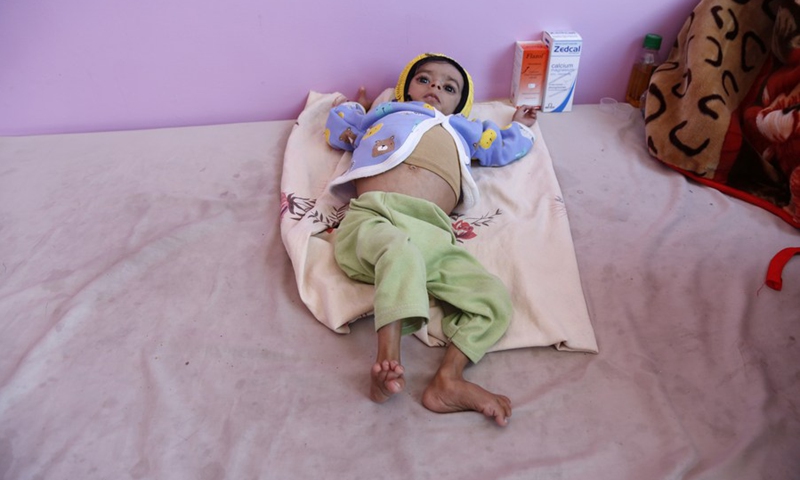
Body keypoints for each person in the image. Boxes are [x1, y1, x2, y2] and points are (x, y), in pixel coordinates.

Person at [324, 53, 538, 426]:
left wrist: (519, 126)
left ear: (461, 104)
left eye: (449, 86)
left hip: (433, 232)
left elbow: (502, 147)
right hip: (375, 215)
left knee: (493, 299)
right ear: (406, 89)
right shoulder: (386, 114)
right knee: (399, 252)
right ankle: (388, 360)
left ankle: (448, 379)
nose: (435, 86)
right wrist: (359, 106)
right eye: (424, 79)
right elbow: (338, 128)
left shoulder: (464, 130)